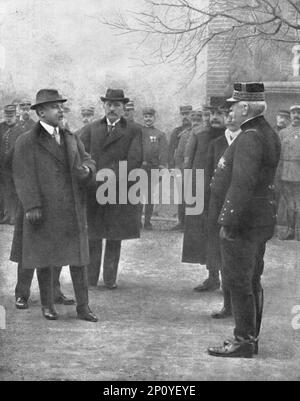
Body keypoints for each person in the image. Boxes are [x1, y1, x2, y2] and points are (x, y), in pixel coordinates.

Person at [11, 89, 98, 322]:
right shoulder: (27, 141)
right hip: (45, 210)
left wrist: (88, 170)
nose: (60, 110)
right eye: (54, 107)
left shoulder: (71, 137)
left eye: (61, 106)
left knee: (79, 259)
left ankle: (84, 308)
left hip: (72, 210)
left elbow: (88, 158)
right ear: (40, 112)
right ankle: (48, 305)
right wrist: (32, 206)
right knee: (46, 260)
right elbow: (22, 175)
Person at [207, 82, 280, 358]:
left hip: (244, 222)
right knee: (251, 279)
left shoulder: (250, 136)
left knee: (239, 280)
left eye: (233, 106)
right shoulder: (264, 132)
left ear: (246, 107)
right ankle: (249, 338)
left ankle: (244, 340)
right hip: (257, 220)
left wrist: (228, 221)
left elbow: (242, 184)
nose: (230, 111)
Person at [79, 89, 143, 289]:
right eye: (109, 104)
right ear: (104, 106)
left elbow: (134, 160)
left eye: (117, 105)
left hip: (119, 189)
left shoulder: (134, 130)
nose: (112, 108)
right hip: (94, 189)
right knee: (94, 234)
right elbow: (81, 155)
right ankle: (90, 278)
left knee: (115, 235)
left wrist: (109, 176)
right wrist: (93, 176)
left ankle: (109, 278)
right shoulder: (90, 129)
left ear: (124, 108)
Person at [182, 100, 226, 292]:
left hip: (225, 194)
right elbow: (189, 164)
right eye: (212, 113)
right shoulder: (200, 135)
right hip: (203, 193)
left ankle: (229, 280)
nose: (215, 117)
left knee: (225, 237)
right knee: (207, 236)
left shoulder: (233, 138)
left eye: (220, 113)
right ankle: (212, 276)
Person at [205, 114, 241, 319]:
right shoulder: (216, 143)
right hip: (217, 204)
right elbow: (208, 173)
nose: (230, 118)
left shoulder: (247, 140)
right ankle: (227, 304)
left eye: (233, 114)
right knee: (219, 250)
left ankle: (239, 305)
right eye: (227, 115)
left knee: (237, 255)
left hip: (239, 205)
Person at [140, 107, 168, 230]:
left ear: (154, 118)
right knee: (138, 195)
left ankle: (147, 221)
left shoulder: (159, 134)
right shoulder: (138, 132)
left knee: (150, 196)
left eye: (150, 117)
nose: (148, 119)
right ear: (143, 118)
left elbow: (164, 152)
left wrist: (161, 167)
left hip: (153, 168)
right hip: (140, 168)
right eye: (146, 117)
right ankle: (137, 221)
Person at [276, 105, 300, 240]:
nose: (296, 116)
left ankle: (298, 231)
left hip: (298, 170)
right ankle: (290, 230)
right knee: (288, 202)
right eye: (294, 113)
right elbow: (278, 154)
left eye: (299, 113)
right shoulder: (283, 133)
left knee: (298, 202)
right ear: (290, 115)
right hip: (285, 171)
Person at [168, 105, 192, 231]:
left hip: (191, 167)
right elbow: (171, 149)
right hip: (179, 167)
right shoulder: (176, 132)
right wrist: (171, 167)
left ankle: (190, 222)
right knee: (181, 195)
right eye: (183, 114)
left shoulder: (196, 130)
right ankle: (181, 221)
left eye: (187, 114)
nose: (185, 116)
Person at [0, 105, 23, 225]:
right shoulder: (2, 129)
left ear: (16, 116)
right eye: (7, 116)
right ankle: (6, 215)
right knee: (5, 191)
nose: (9, 119)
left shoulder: (20, 130)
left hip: (16, 166)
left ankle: (14, 217)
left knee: (15, 191)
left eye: (11, 116)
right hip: (4, 167)